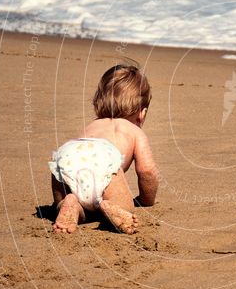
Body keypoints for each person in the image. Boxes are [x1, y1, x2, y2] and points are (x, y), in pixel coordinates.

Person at [48, 63, 159, 235]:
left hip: (69, 155)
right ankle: (110, 206)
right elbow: (147, 171)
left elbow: (83, 154)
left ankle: (70, 203)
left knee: (66, 197)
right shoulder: (134, 131)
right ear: (142, 113)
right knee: (124, 205)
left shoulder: (92, 125)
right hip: (104, 160)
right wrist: (147, 200)